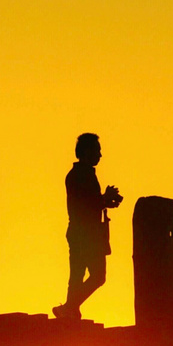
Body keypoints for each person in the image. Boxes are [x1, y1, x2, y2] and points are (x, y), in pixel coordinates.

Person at [54, 133, 122, 321]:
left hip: (83, 232)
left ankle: (70, 310)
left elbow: (90, 203)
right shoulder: (78, 175)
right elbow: (84, 205)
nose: (100, 155)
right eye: (97, 151)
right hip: (84, 233)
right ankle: (69, 307)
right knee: (96, 276)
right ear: (86, 151)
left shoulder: (83, 174)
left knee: (78, 275)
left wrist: (105, 201)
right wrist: (103, 199)